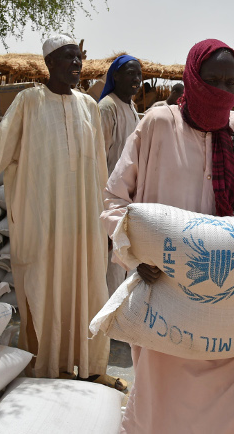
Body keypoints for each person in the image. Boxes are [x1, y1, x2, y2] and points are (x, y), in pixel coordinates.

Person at [102, 39, 234, 433]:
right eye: (211, 79)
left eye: (229, 82)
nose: (221, 90)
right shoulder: (157, 125)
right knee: (164, 407)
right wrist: (137, 253)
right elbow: (116, 200)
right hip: (167, 298)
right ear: (192, 78)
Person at [0, 34, 125, 391]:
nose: (76, 65)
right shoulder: (28, 102)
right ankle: (48, 368)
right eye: (67, 58)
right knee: (44, 289)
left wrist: (105, 220)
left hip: (83, 222)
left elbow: (100, 172)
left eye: (79, 58)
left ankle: (91, 367)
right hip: (42, 219)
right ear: (49, 63)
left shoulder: (89, 107)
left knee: (88, 289)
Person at [98, 54, 142, 294]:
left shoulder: (132, 109)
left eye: (138, 74)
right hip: (109, 202)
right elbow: (98, 161)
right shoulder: (107, 108)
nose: (136, 79)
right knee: (109, 272)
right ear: (115, 77)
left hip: (127, 202)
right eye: (130, 73)